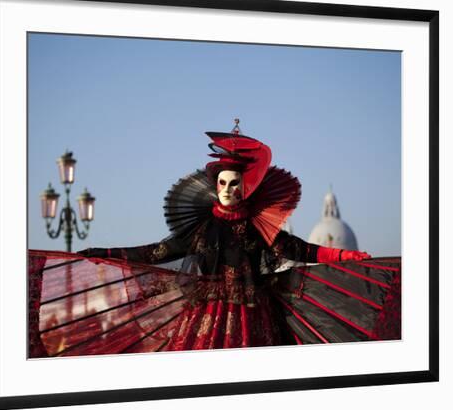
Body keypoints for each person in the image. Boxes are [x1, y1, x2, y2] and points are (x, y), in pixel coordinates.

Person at [77, 128, 372, 351]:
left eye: (234, 183)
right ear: (215, 186)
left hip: (253, 317)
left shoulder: (258, 227)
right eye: (222, 183)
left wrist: (346, 256)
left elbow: (300, 249)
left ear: (245, 187)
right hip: (206, 316)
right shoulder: (200, 229)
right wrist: (106, 252)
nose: (228, 190)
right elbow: (154, 252)